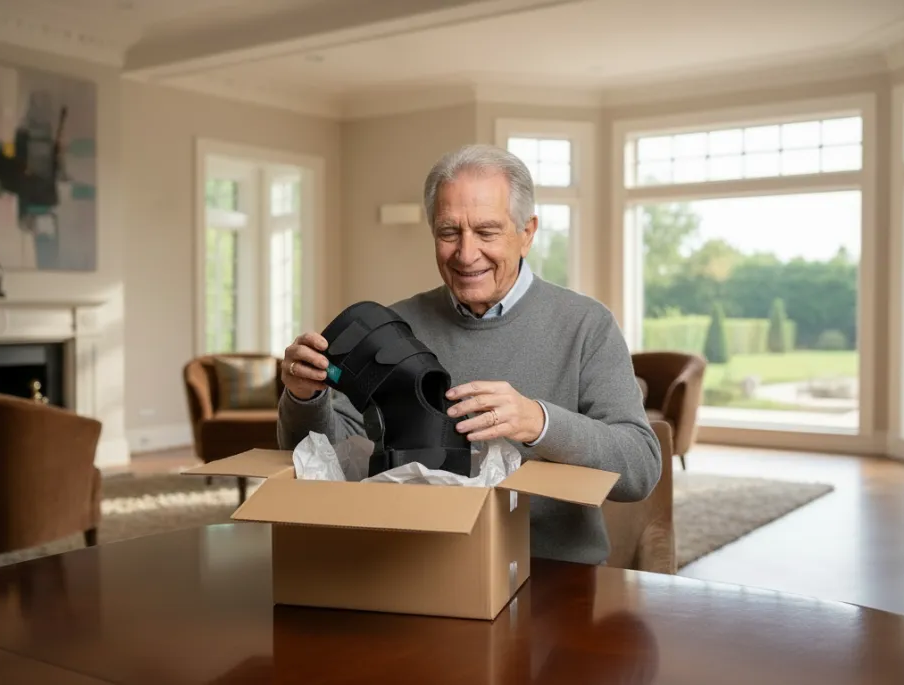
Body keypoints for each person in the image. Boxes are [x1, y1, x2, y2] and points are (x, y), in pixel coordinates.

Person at [275, 143, 662, 566]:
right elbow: (323, 460)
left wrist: (538, 421)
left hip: (554, 572)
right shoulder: (395, 325)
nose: (466, 253)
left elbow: (639, 468)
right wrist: (304, 398)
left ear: (527, 233)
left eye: (487, 231)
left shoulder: (586, 324)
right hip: (414, 565)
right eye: (448, 232)